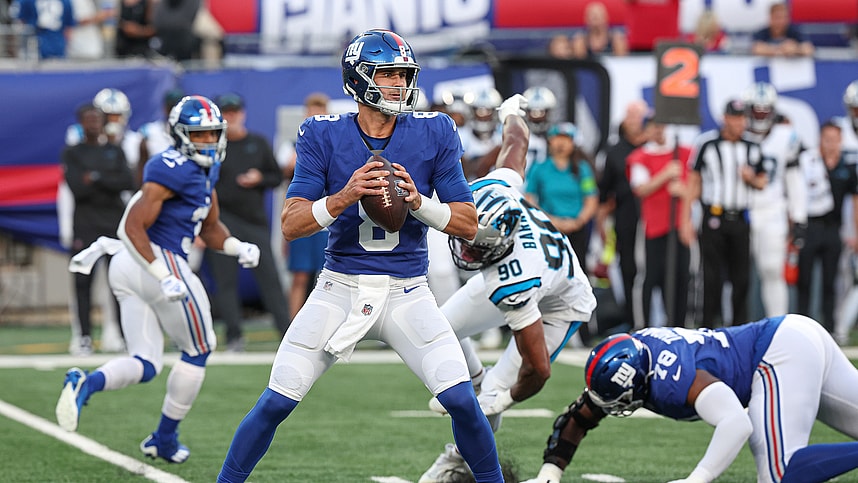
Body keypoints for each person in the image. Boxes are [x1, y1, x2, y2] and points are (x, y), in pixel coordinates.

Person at [217, 29, 503, 483]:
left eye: (402, 74)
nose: (398, 84)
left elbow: (468, 223)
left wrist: (420, 203)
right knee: (276, 399)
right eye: (387, 74)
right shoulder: (322, 133)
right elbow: (291, 225)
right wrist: (344, 196)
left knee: (463, 401)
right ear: (358, 79)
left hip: (409, 291)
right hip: (340, 287)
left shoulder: (435, 129)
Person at [56, 95, 261, 464]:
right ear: (181, 136)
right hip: (154, 259)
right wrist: (162, 274)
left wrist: (235, 246)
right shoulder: (169, 167)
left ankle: (87, 383)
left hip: (133, 265)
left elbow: (210, 226)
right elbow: (131, 225)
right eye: (200, 135)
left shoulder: (203, 171)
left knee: (145, 362)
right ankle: (164, 438)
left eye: (214, 134)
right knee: (199, 348)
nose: (209, 142)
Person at [418, 95, 597, 483]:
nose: (464, 250)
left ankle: (456, 458)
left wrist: (507, 396)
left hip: (558, 303)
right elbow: (515, 144)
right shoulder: (495, 191)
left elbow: (539, 370)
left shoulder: (512, 280)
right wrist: (511, 113)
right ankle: (478, 380)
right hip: (524, 270)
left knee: (488, 400)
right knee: (433, 332)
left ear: (496, 245)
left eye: (473, 245)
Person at [522, 314, 858, 483]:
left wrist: (698, 477)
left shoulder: (671, 376)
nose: (610, 410)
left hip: (777, 354)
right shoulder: (635, 358)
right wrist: (549, 474)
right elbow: (580, 416)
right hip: (796, 333)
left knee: (779, 473)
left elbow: (736, 423)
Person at [206, 92, 290, 352]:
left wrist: (259, 178)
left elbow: (276, 176)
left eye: (234, 111)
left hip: (254, 221)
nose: (231, 116)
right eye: (226, 112)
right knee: (225, 282)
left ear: (242, 113)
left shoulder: (257, 142)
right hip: (222, 221)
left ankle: (286, 335)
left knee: (270, 279)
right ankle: (234, 337)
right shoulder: (213, 146)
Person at [680, 99, 767, 328]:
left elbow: (762, 181)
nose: (740, 123)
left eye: (742, 118)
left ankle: (739, 329)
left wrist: (751, 178)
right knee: (711, 277)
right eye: (735, 117)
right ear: (725, 118)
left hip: (740, 218)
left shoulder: (752, 146)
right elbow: (694, 181)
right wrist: (686, 218)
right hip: (714, 217)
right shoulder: (707, 144)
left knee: (741, 279)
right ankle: (708, 327)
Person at [62, 104, 135, 356]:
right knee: (83, 282)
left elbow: (127, 182)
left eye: (97, 119)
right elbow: (77, 188)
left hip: (113, 225)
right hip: (85, 225)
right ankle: (83, 337)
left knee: (119, 281)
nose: (93, 124)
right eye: (88, 119)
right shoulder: (73, 153)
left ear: (104, 122)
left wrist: (95, 177)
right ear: (81, 123)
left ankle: (124, 336)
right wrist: (106, 180)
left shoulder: (115, 151)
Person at [741, 82, 807, 319]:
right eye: (756, 111)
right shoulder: (737, 133)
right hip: (741, 210)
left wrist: (799, 216)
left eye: (764, 111)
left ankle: (777, 326)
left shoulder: (785, 137)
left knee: (772, 270)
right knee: (736, 273)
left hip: (772, 209)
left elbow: (795, 179)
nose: (760, 116)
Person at [627, 119, 692, 326]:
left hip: (680, 225)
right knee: (650, 277)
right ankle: (642, 325)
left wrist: (684, 191)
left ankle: (678, 325)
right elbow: (640, 188)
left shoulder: (685, 152)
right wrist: (665, 175)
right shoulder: (641, 156)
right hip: (653, 227)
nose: (658, 131)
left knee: (682, 277)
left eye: (662, 126)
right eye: (653, 127)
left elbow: (696, 186)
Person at [798, 121, 858, 333]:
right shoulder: (810, 162)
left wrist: (855, 233)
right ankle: (801, 329)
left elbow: (855, 202)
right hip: (810, 227)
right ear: (820, 140)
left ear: (841, 141)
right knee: (804, 281)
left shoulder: (847, 168)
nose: (830, 144)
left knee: (830, 283)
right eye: (826, 139)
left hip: (833, 229)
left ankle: (829, 330)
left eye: (834, 140)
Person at [277, 92, 332, 320]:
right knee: (300, 276)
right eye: (312, 109)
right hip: (303, 214)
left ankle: (325, 325)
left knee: (329, 278)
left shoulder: (334, 145)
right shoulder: (294, 144)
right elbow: (287, 167)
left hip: (327, 217)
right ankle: (293, 324)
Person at [596, 99, 649, 329]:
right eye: (631, 116)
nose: (635, 122)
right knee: (628, 270)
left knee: (655, 271)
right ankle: (632, 319)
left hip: (654, 219)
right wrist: (601, 226)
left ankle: (655, 319)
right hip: (626, 218)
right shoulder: (615, 152)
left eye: (639, 117)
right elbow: (603, 195)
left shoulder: (654, 149)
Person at [525, 122, 598, 275]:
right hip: (548, 229)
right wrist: (550, 220)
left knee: (577, 273)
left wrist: (578, 221)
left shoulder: (582, 169)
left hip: (576, 229)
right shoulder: (540, 168)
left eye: (566, 139)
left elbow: (591, 198)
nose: (561, 143)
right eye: (557, 138)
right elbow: (529, 198)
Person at [10, 0, 75, 59]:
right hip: (37, 44)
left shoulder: (66, 2)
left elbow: (68, 28)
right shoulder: (66, 2)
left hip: (53, 43)